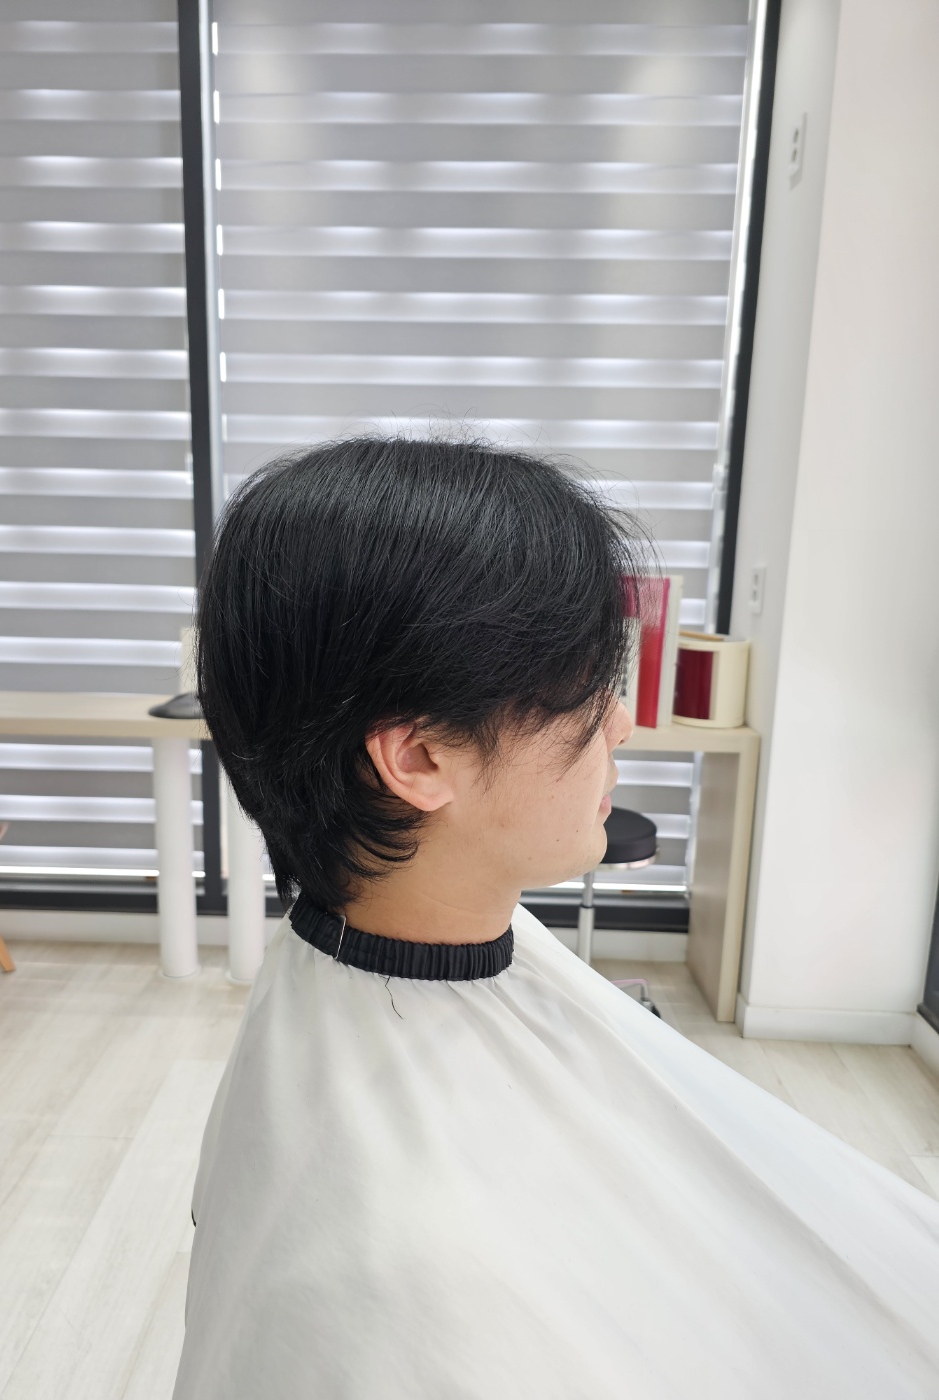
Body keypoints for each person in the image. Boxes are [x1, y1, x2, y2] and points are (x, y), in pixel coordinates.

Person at [173, 436, 939, 1400]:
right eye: (582, 692)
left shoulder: (377, 953)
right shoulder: (412, 1273)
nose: (621, 722)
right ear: (419, 759)